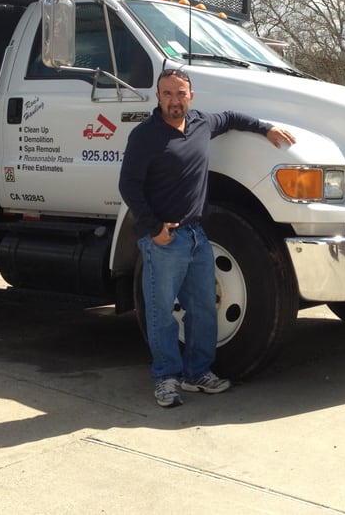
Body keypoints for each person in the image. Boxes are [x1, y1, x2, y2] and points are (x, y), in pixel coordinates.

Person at [118, 67, 296, 408]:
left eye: (180, 94)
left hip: (197, 236)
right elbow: (129, 185)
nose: (174, 100)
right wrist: (154, 228)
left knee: (202, 309)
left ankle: (197, 373)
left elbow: (231, 118)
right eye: (167, 94)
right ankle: (166, 378)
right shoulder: (145, 135)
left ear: (191, 96)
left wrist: (265, 128)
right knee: (161, 314)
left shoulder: (201, 123)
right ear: (158, 97)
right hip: (163, 240)